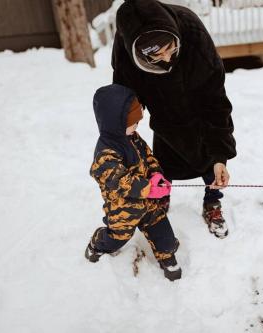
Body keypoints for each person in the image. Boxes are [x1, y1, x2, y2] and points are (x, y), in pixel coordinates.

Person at [111, 0, 237, 239]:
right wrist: (124, 134)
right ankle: (161, 197)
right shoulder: (125, 51)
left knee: (211, 164)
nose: (168, 58)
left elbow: (215, 99)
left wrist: (221, 154)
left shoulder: (192, 31)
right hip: (164, 114)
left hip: (200, 111)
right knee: (162, 163)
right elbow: (125, 97)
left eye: (170, 48)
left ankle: (212, 202)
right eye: (157, 55)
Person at [85, 84, 181, 281]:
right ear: (116, 122)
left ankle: (167, 255)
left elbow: (148, 156)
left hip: (148, 203)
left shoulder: (133, 138)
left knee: (162, 230)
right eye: (134, 122)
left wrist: (156, 174)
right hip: (123, 209)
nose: (137, 126)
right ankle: (97, 244)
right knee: (117, 237)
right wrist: (148, 188)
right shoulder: (105, 153)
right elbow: (119, 181)